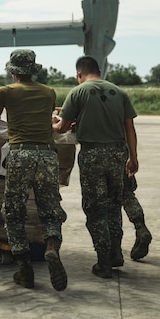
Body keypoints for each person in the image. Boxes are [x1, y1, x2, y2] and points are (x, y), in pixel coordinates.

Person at [0, 49, 68, 291]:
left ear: (13, 71)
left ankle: (25, 269)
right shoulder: (48, 92)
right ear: (34, 70)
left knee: (13, 212)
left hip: (20, 154)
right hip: (46, 155)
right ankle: (52, 248)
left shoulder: (6, 92)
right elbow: (48, 119)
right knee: (50, 209)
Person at [53, 56, 138, 279]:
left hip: (92, 156)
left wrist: (49, 120)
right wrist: (133, 157)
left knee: (95, 208)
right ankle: (116, 253)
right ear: (99, 71)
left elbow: (61, 128)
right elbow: (130, 127)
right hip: (119, 154)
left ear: (78, 74)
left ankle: (103, 262)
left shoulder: (78, 92)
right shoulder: (119, 92)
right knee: (113, 205)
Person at [122, 175, 152, 261]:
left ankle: (113, 250)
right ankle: (140, 227)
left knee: (103, 199)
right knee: (126, 193)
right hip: (121, 162)